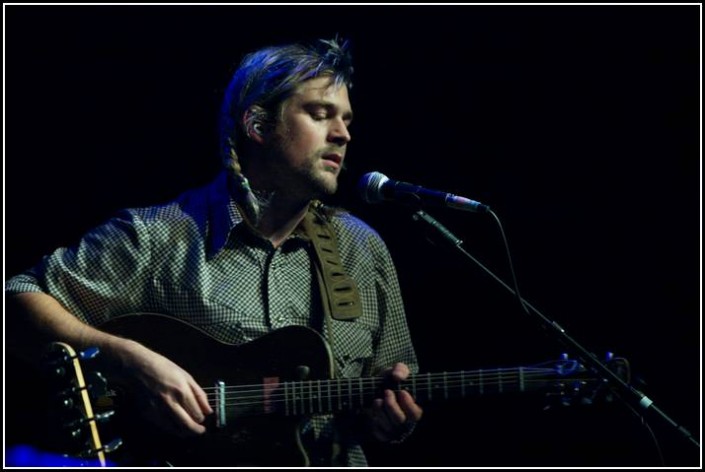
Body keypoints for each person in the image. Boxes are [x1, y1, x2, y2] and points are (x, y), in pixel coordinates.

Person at [5, 37, 423, 467]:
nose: (343, 134)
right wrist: (128, 360)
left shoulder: (362, 249)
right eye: (320, 114)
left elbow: (394, 388)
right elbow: (14, 305)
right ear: (258, 126)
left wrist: (393, 422)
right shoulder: (158, 236)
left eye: (347, 119)